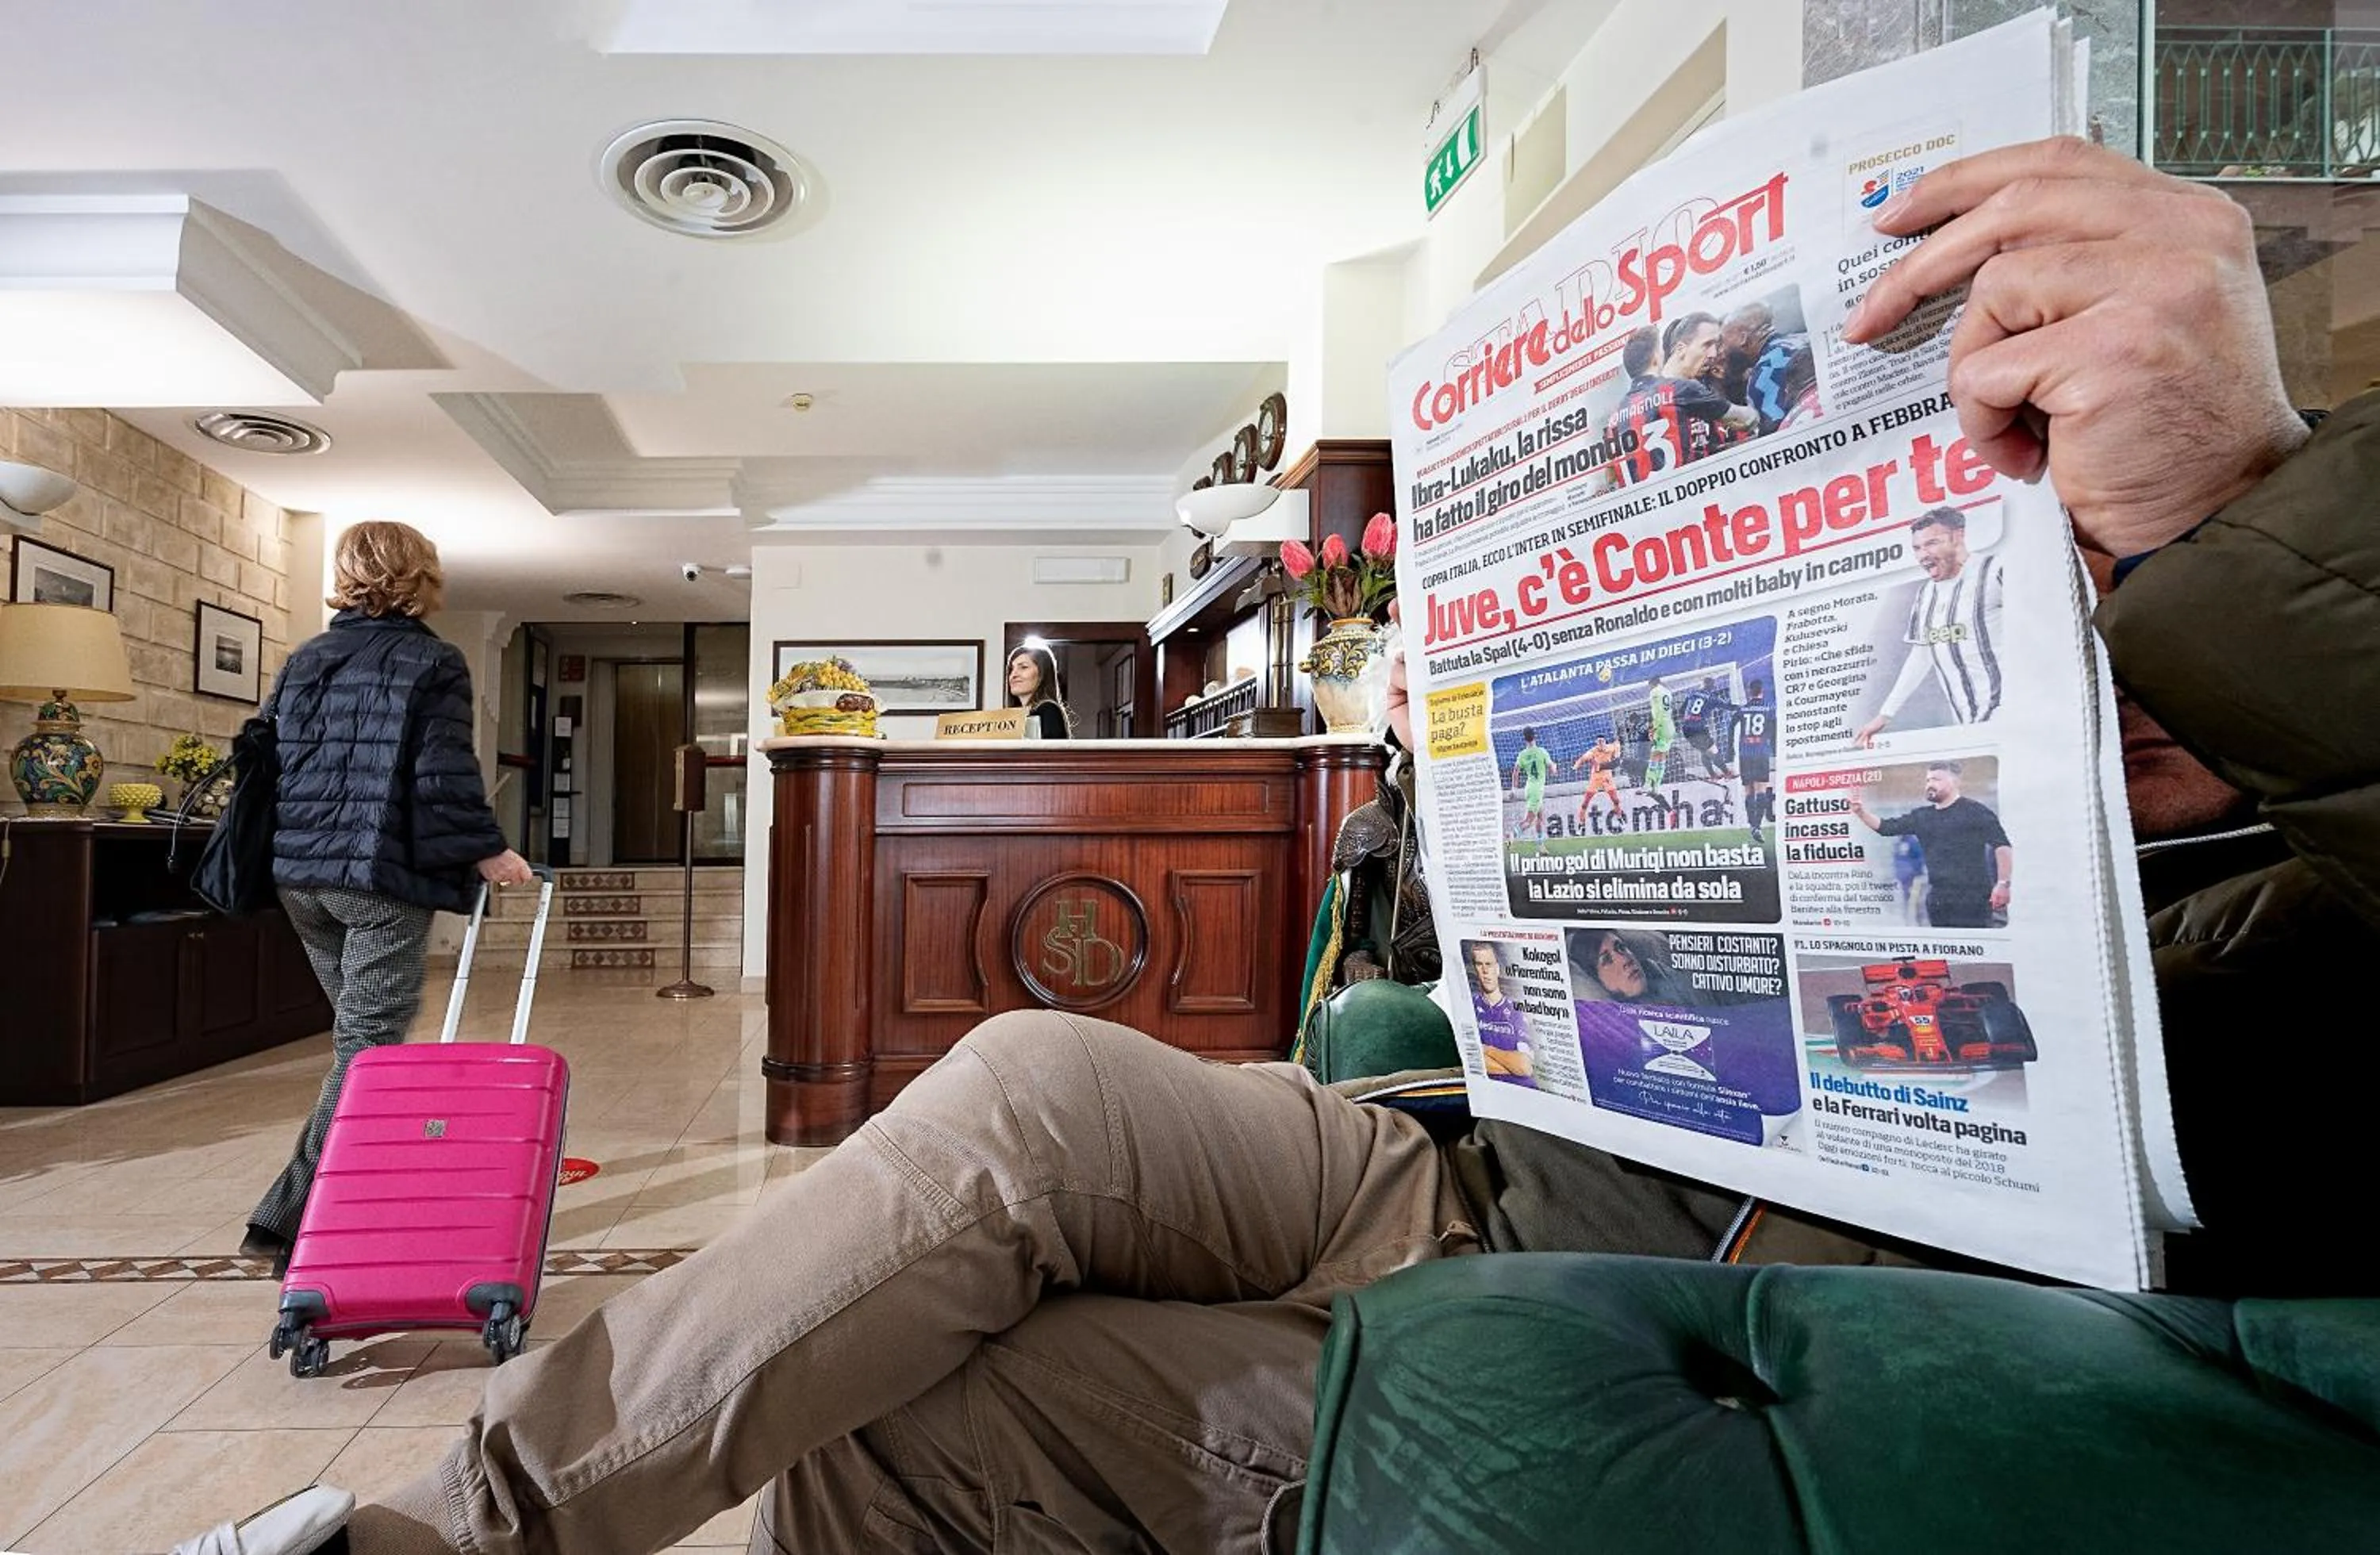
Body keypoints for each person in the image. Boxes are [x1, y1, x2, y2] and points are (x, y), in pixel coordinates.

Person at [182, 138, 2380, 1555]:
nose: (2092, 637)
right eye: (2058, 574)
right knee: (1027, 1086)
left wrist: (2237, 518)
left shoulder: (2307, 856)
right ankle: (432, 1534)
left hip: (1702, 1292)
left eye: (2131, 578)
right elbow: (1478, 959)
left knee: (909, 1411)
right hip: (1483, 1161)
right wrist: (1474, 765)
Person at [236, 522, 534, 1277]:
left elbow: (267, 761)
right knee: (366, 1052)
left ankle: (346, 1191)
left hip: (299, 878)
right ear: (422, 577)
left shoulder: (307, 658)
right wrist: (487, 849)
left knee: (360, 1045)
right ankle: (286, 1217)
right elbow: (443, 772)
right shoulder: (432, 660)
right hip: (375, 882)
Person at [1854, 505, 2006, 747]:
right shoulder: (1926, 594)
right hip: (1967, 723)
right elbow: (1923, 654)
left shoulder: (1995, 570)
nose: (1923, 555)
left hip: (2008, 713)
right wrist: (1885, 715)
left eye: (1932, 543)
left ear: (1958, 536)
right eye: (1917, 548)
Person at [1850, 761, 2012, 929]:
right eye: (1928, 780)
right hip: (1939, 899)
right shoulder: (1922, 816)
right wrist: (1861, 813)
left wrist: (2003, 884)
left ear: (1955, 782)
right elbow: (1885, 827)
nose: (1930, 784)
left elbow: (2002, 846)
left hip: (1974, 899)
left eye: (1936, 779)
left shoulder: (1976, 811)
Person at [1601, 317, 1759, 486]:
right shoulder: (1678, 390)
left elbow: (1610, 477)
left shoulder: (1614, 419)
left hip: (1645, 500)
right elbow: (1748, 420)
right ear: (1658, 357)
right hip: (1686, 492)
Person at [1720, 300, 1818, 435]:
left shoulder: (1765, 373)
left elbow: (1775, 435)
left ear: (1743, 338)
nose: (1721, 351)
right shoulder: (1806, 338)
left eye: (1722, 342)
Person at [1464, 941, 1534, 1083]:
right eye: (1479, 964)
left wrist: (1487, 1050)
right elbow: (1471, 1060)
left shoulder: (1516, 1011)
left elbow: (1524, 1067)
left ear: (1497, 968)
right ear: (1475, 969)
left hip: (1521, 1088)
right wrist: (1510, 1066)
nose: (1485, 971)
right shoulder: (1469, 1007)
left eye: (1489, 964)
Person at [1731, 678, 1776, 842]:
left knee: (1749, 791)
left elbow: (1731, 726)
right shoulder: (1769, 708)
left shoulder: (1742, 709)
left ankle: (1752, 826)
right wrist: (1774, 750)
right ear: (1762, 691)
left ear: (1749, 692)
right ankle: (1757, 826)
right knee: (1761, 790)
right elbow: (1774, 730)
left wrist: (1730, 750)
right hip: (1761, 752)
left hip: (1745, 754)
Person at [1675, 674, 1736, 781]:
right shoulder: (1713, 698)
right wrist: (1742, 707)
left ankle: (1713, 775)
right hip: (1698, 729)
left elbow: (1681, 711)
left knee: (1704, 752)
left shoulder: (1692, 694)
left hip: (1687, 729)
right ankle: (1727, 772)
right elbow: (1729, 707)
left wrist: (1685, 721)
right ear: (1712, 687)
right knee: (1713, 751)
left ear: (1702, 684)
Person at [1004, 644, 1073, 739]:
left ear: (1042, 673)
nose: (1013, 675)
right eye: (1011, 669)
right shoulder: (1014, 717)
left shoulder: (1049, 710)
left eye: (1024, 667)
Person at [1509, 726, 1553, 843]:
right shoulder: (1542, 751)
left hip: (1529, 788)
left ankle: (1540, 845)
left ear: (1524, 739)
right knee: (1529, 821)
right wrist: (1554, 766)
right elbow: (1553, 771)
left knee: (1541, 817)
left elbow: (1515, 773)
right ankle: (1511, 836)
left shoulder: (1522, 754)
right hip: (1537, 790)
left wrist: (1514, 790)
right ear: (1535, 736)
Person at [1568, 734, 1624, 826]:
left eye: (1602, 741)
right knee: (1585, 803)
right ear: (1596, 743)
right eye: (1599, 742)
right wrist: (1575, 767)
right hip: (1595, 778)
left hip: (1607, 777)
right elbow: (1583, 759)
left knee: (1616, 800)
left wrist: (1618, 743)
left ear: (1605, 742)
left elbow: (1616, 747)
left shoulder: (1611, 748)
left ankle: (1619, 817)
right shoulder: (1593, 752)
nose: (1600, 743)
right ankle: (1581, 824)